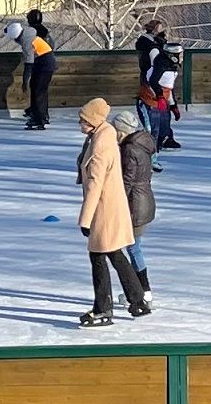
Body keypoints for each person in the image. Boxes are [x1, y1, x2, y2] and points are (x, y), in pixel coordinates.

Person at [73, 96, 151, 325]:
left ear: (94, 121)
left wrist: (85, 219)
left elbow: (95, 183)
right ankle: (137, 300)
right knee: (115, 254)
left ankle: (103, 309)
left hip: (104, 210)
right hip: (110, 207)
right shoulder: (103, 135)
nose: (80, 124)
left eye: (83, 120)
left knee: (98, 256)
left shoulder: (101, 144)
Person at [110, 105, 163, 290]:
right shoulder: (141, 145)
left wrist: (116, 202)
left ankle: (143, 290)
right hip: (143, 200)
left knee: (133, 247)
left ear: (121, 130)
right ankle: (140, 289)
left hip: (134, 205)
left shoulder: (130, 149)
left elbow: (127, 180)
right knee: (133, 246)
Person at [139, 41, 182, 149]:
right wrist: (160, 96)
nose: (181, 57)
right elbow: (152, 82)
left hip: (162, 101)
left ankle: (164, 140)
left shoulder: (171, 67)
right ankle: (151, 149)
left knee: (164, 126)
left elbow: (168, 88)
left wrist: (173, 105)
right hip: (151, 101)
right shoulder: (161, 65)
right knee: (154, 129)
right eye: (179, 54)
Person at [22, 11, 58, 131]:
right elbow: (52, 45)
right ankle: (39, 112)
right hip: (45, 62)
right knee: (40, 89)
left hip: (41, 63)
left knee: (38, 90)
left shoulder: (32, 32)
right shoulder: (44, 31)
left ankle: (39, 115)